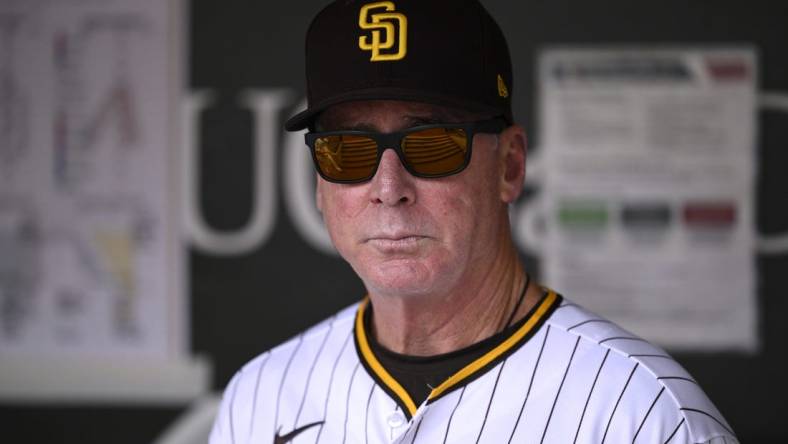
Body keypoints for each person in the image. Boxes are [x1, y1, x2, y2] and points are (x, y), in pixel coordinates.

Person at [210, 1, 737, 443]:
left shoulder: (644, 413)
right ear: (321, 184)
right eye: (347, 151)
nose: (389, 189)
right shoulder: (261, 397)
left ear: (509, 166)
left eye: (432, 144)